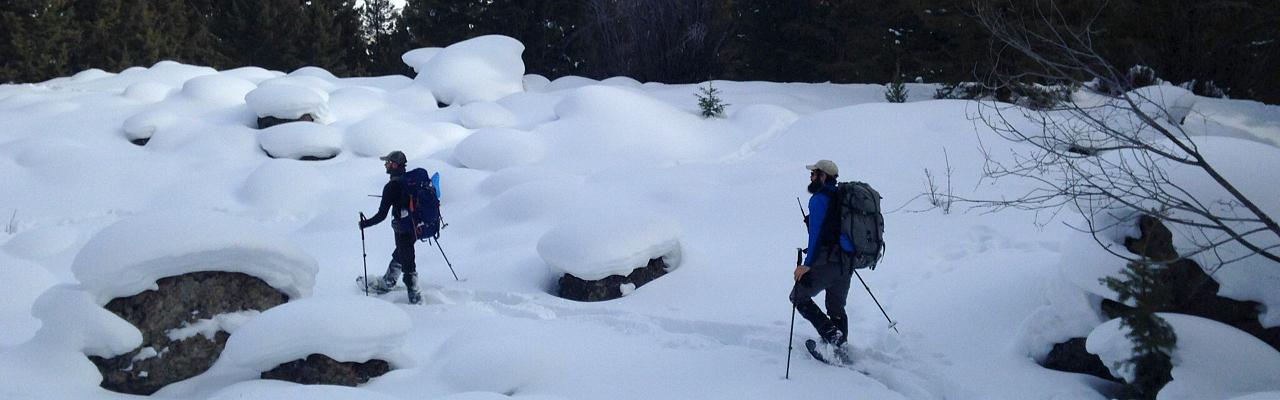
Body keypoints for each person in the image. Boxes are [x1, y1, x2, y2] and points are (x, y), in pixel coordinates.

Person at [791, 159, 851, 348]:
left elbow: (816, 236)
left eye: (814, 173)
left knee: (798, 297)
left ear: (823, 176)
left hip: (827, 262)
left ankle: (833, 338)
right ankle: (840, 347)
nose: (811, 176)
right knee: (836, 307)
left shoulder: (819, 200)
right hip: (847, 263)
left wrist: (807, 264)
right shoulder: (843, 197)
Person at [359, 150, 422, 304]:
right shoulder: (411, 181)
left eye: (387, 162)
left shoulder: (391, 187)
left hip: (402, 227)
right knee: (402, 252)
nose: (386, 165)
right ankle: (389, 280)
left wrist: (365, 224)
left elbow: (382, 215)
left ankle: (414, 296)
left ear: (394, 165)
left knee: (408, 260)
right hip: (416, 226)